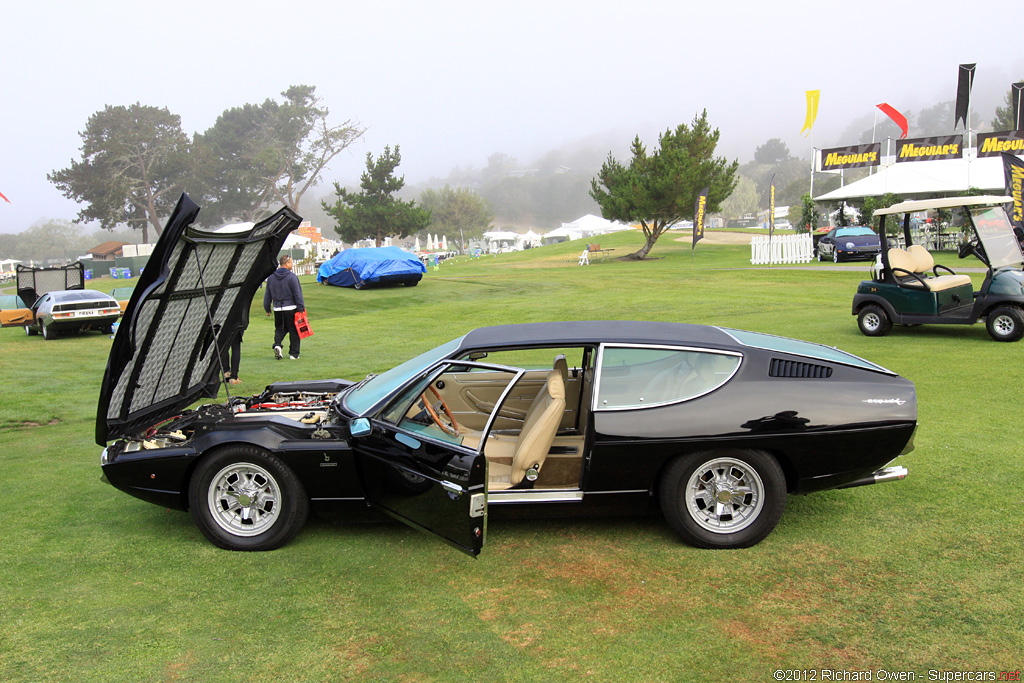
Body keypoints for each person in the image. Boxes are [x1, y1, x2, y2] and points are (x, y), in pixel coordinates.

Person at [263, 254, 305, 360]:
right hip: (291, 307)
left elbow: (267, 294)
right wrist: (301, 308)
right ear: (286, 263)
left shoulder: (271, 278)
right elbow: (297, 294)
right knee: (294, 330)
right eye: (291, 262)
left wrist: (267, 308)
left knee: (279, 329)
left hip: (277, 308)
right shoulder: (292, 277)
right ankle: (294, 354)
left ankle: (277, 345)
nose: (292, 264)